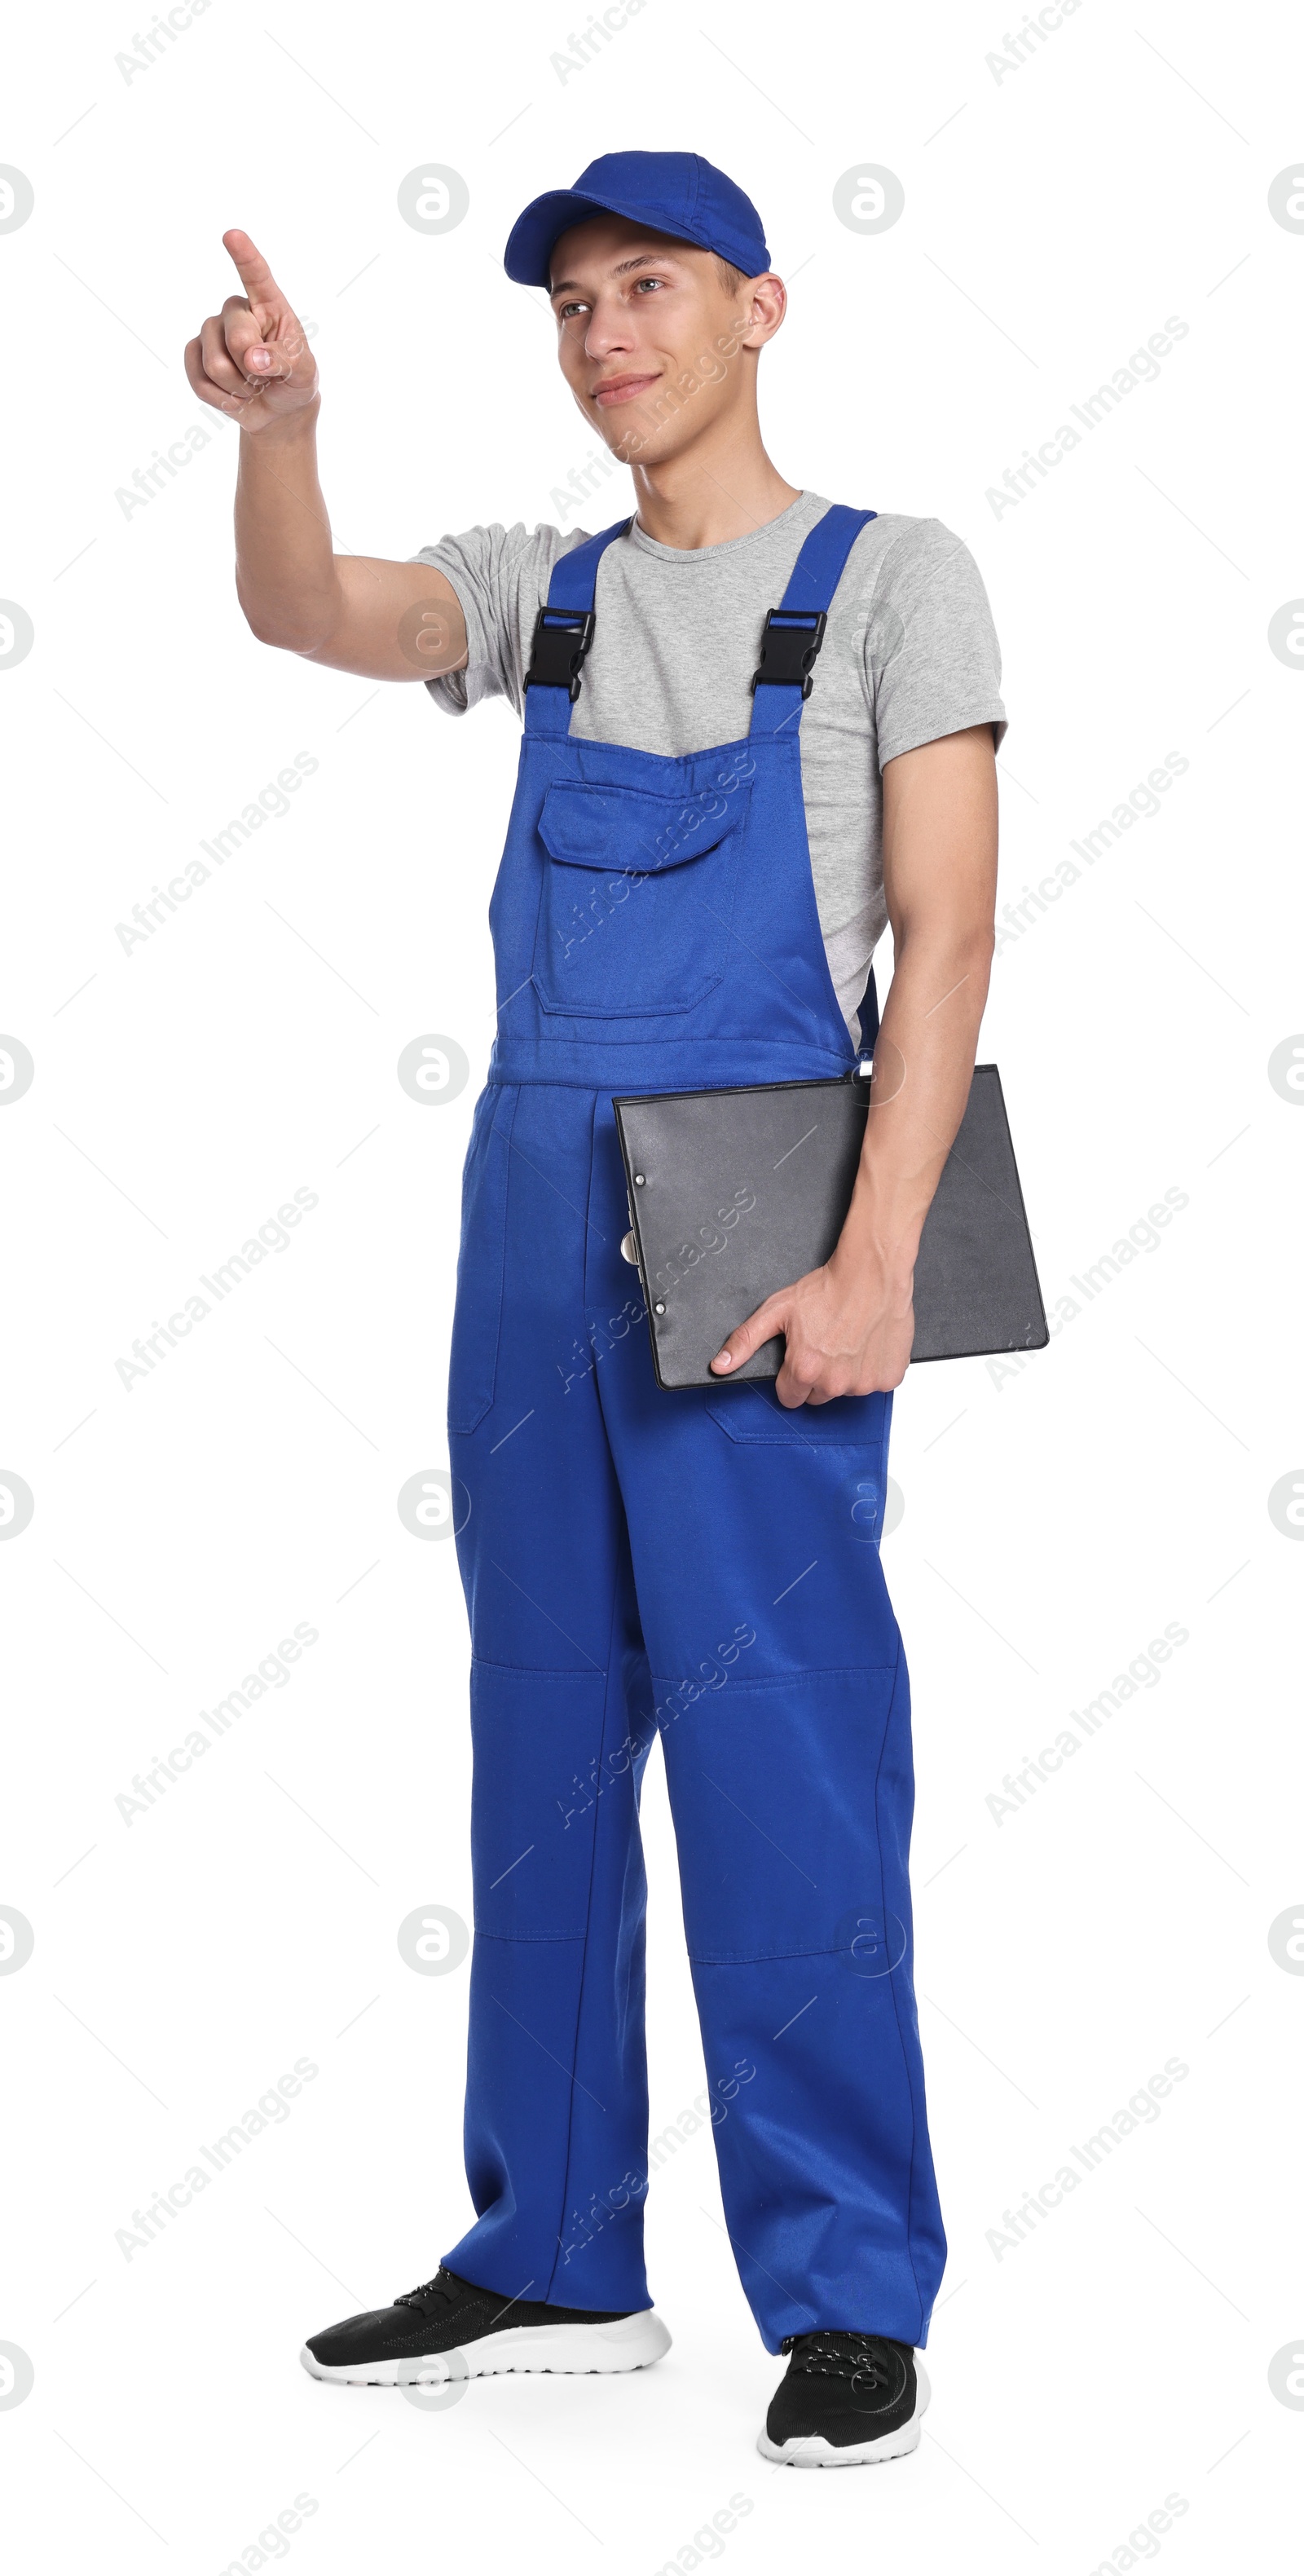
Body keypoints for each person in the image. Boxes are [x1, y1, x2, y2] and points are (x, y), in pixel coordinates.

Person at [185, 149, 1004, 2468]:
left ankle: (846, 2289)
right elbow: (308, 616)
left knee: (783, 1752)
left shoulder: (887, 584)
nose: (606, 331)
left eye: (649, 288)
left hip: (766, 1199)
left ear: (760, 306)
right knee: (543, 1732)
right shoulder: (539, 592)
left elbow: (942, 937)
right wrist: (278, 432)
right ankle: (553, 2253)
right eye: (572, 304)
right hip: (530, 1203)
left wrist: (875, 1257)